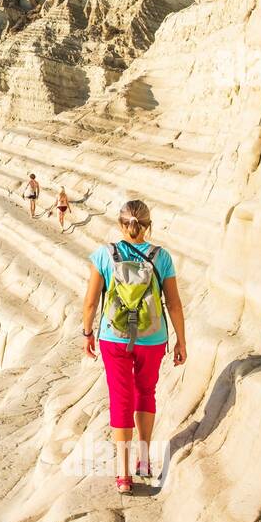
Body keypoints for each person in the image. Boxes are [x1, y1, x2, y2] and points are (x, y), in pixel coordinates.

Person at [80, 200, 187, 494]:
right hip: (153, 337)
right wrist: (181, 340)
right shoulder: (161, 257)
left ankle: (123, 475)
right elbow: (174, 303)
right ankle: (143, 461)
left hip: (113, 337)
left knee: (120, 398)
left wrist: (87, 332)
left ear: (120, 225)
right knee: (145, 392)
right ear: (148, 225)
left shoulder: (105, 255)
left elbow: (90, 302)